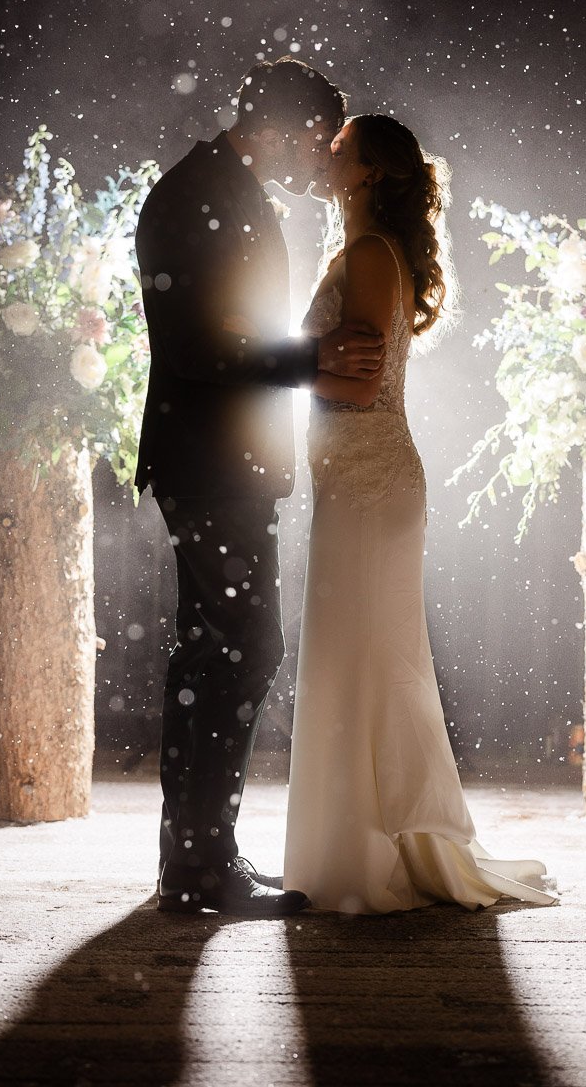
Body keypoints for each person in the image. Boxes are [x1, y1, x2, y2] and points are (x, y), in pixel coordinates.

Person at [283, 114, 559, 913]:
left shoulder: (371, 257)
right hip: (356, 484)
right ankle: (365, 843)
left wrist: (276, 367)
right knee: (359, 663)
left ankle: (372, 854)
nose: (324, 154)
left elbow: (361, 388)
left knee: (367, 665)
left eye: (339, 149)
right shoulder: (364, 252)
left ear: (370, 173)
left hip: (371, 484)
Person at [134, 59, 385, 917]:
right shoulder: (192, 196)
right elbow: (195, 349)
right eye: (314, 141)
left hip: (225, 463)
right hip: (208, 464)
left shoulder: (220, 190)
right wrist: (310, 360)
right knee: (226, 654)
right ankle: (199, 870)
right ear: (274, 125)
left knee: (234, 652)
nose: (317, 161)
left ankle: (203, 861)